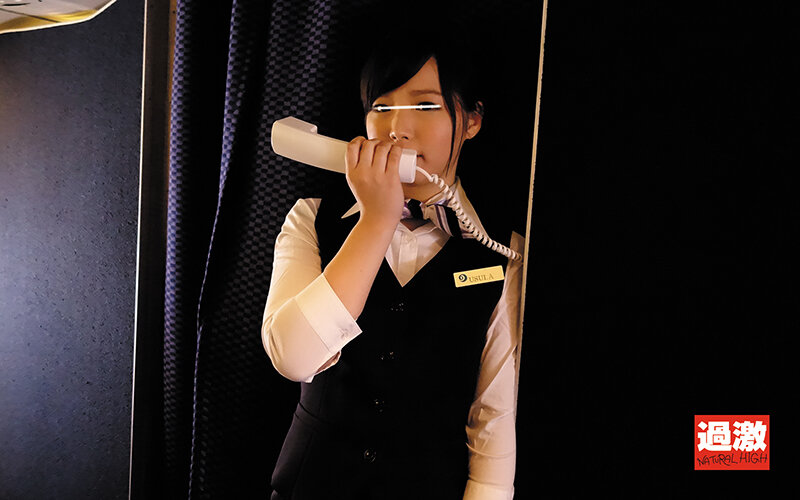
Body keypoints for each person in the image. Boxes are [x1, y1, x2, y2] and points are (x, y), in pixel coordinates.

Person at [261, 26, 523, 500]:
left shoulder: (504, 254)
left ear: (471, 121)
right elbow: (294, 357)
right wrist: (376, 221)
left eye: (425, 106)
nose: (397, 128)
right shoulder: (311, 219)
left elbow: (493, 421)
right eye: (381, 108)